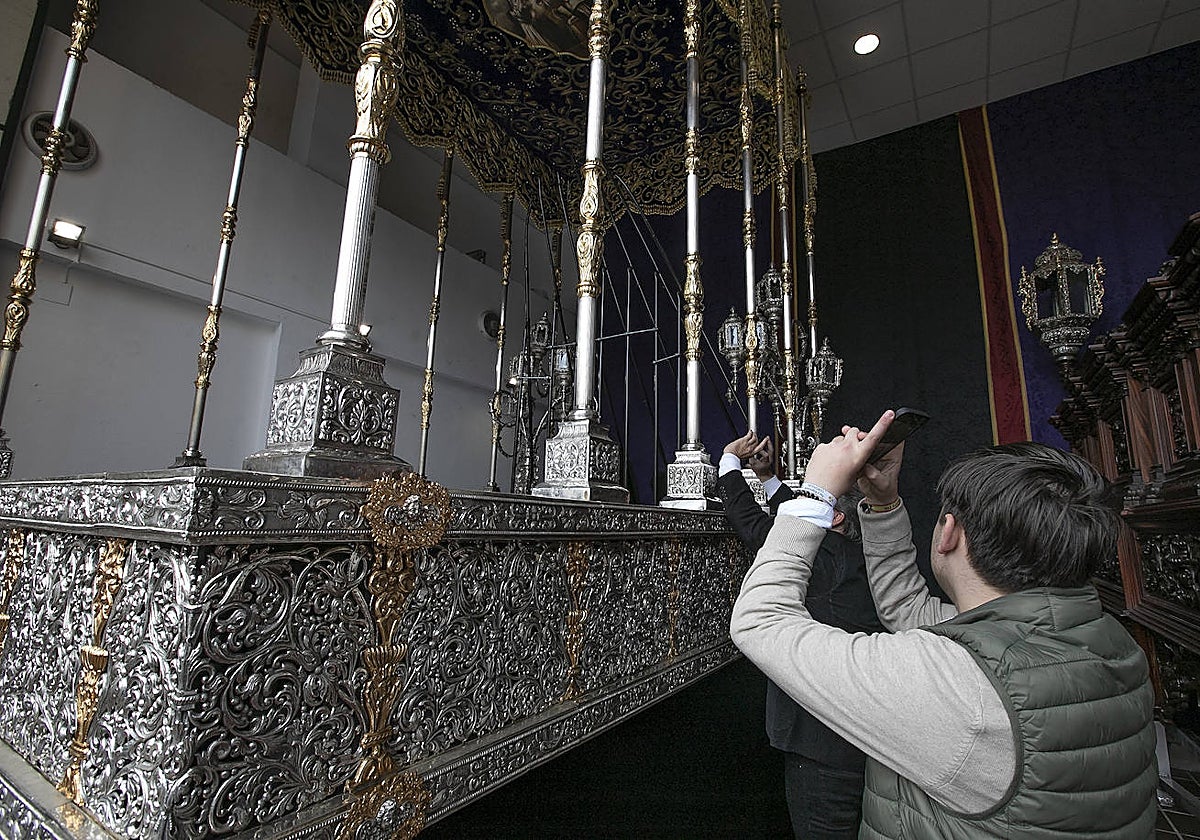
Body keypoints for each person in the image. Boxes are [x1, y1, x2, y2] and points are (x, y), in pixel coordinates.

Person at [730, 410, 1157, 838]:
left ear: (948, 533)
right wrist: (883, 504)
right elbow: (907, 611)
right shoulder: (1105, 638)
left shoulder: (956, 681)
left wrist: (816, 494)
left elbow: (759, 621)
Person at [718, 430, 883, 839]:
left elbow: (764, 532)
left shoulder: (824, 556)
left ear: (836, 518)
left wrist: (728, 463)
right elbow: (795, 524)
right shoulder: (852, 556)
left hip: (822, 745)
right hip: (863, 738)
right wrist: (770, 477)